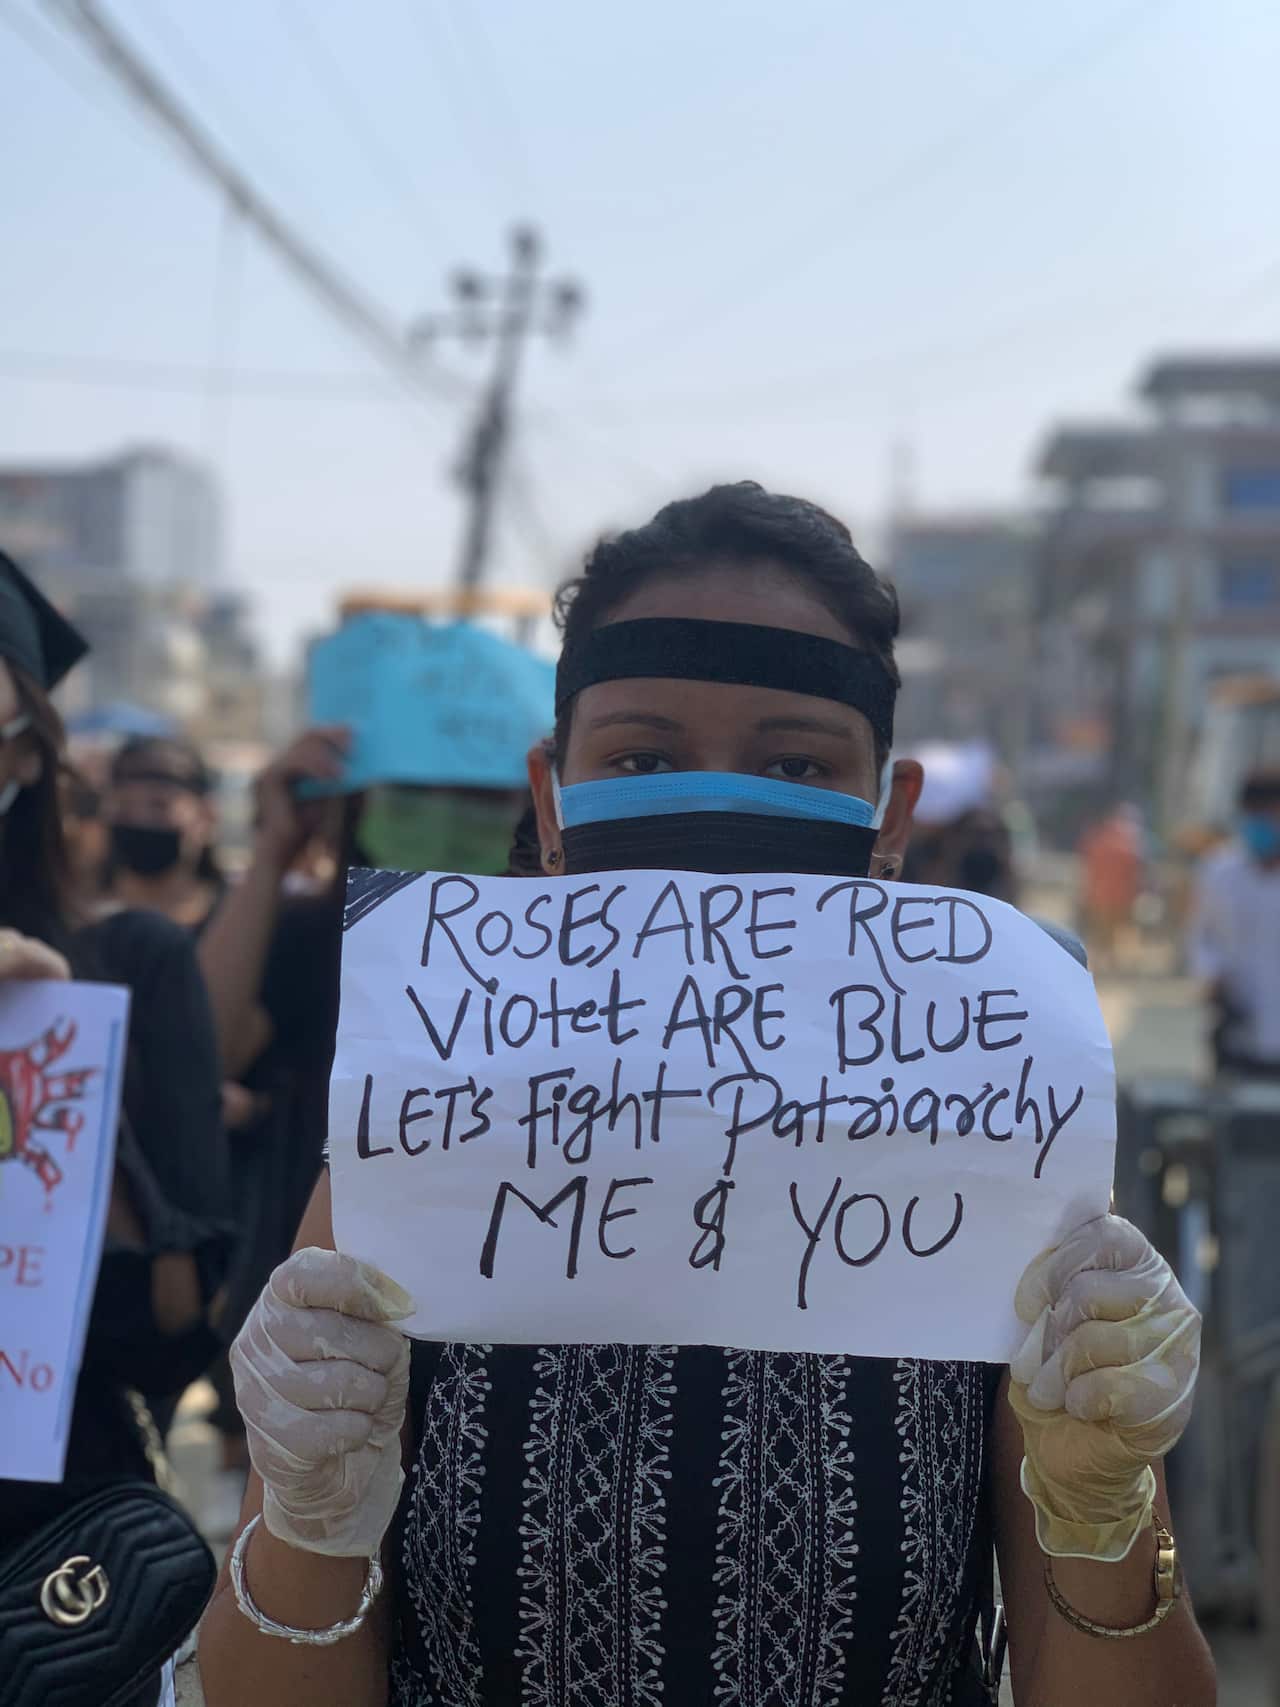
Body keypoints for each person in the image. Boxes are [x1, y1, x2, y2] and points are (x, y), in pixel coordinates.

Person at [200, 485, 1213, 1707]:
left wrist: (1101, 1517)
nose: (714, 808)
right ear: (552, 798)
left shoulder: (998, 1172)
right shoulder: (416, 1162)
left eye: (793, 763)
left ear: (883, 815)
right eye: (641, 758)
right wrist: (309, 1522)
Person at [0, 553, 233, 1702]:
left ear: (28, 754)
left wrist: (54, 1110)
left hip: (42, 1567)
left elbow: (176, 1334)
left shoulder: (113, 971)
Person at [1190, 767, 1280, 1079]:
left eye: (1270, 816)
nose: (1263, 826)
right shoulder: (1219, 871)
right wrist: (1213, 975)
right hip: (1236, 1031)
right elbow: (1202, 938)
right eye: (1254, 815)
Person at [104, 734, 224, 929]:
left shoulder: (239, 919)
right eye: (124, 806)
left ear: (207, 817)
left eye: (160, 806)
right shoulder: (83, 918)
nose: (140, 819)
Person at [1077, 804, 1145, 975]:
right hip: (1122, 895)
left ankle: (1103, 963)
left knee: (1102, 932)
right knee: (1122, 930)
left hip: (1100, 895)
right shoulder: (1128, 842)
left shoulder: (1096, 842)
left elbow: (1087, 869)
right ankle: (1119, 964)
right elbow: (1135, 870)